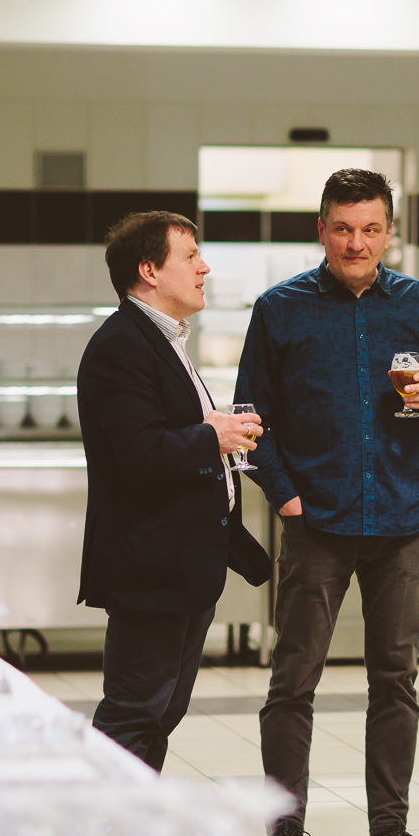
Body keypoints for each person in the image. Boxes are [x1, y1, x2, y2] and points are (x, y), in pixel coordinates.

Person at [236, 169, 419, 836]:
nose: (356, 243)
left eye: (370, 229)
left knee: (395, 681)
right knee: (293, 681)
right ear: (322, 230)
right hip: (318, 522)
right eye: (343, 228)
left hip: (403, 517)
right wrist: (285, 496)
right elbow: (251, 417)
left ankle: (389, 833)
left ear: (389, 232)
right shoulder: (280, 309)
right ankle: (285, 831)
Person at [77, 210, 271, 773]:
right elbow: (139, 454)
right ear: (149, 270)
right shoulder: (121, 345)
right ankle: (101, 818)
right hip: (151, 568)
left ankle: (135, 815)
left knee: (161, 712)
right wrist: (213, 436)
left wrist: (214, 433)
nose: (204, 268)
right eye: (190, 256)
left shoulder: (164, 340)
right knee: (134, 713)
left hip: (185, 565)